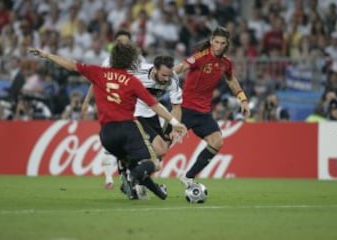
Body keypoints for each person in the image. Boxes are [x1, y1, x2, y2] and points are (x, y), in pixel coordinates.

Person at [29, 43, 187, 200]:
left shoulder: (98, 73)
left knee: (131, 163)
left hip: (106, 135)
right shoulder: (132, 81)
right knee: (155, 162)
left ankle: (154, 190)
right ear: (131, 61)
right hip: (128, 128)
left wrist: (47, 55)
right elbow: (155, 105)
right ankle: (133, 175)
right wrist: (175, 123)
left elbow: (71, 65)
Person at [84, 55, 183, 199]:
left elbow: (177, 107)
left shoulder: (172, 79)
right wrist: (88, 100)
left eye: (168, 75)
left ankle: (130, 176)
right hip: (134, 114)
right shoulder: (136, 72)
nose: (166, 79)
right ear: (154, 69)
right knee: (158, 149)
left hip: (153, 113)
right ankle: (135, 179)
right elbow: (102, 78)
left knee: (160, 153)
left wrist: (175, 127)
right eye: (163, 75)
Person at [173, 26, 251, 189]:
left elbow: (231, 80)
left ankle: (188, 177)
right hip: (185, 108)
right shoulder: (201, 56)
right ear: (211, 41)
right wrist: (165, 78)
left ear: (227, 44)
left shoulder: (226, 63)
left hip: (203, 112)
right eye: (216, 42)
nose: (219, 46)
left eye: (222, 43)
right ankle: (139, 176)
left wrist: (243, 99)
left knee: (217, 141)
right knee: (162, 147)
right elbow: (182, 66)